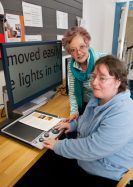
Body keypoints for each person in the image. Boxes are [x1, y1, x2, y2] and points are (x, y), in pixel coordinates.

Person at [43, 55, 133, 187]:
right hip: (86, 161)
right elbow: (86, 120)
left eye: (102, 78)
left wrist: (59, 146)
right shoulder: (98, 98)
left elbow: (92, 148)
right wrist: (72, 125)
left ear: (118, 82)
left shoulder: (124, 113)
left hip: (106, 173)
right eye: (93, 76)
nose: (94, 82)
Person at [62, 26, 105, 121]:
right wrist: (74, 112)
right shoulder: (71, 65)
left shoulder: (102, 60)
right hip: (84, 104)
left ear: (88, 44)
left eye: (81, 46)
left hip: (101, 106)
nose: (79, 53)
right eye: (73, 50)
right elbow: (73, 92)